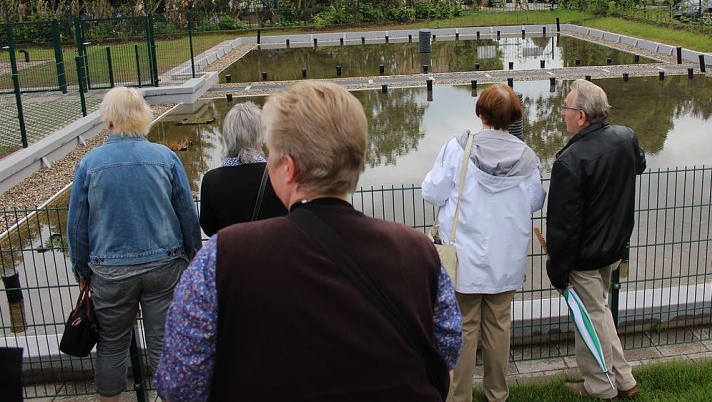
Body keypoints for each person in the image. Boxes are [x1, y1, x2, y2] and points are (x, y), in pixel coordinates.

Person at [155, 81, 463, 401]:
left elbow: (179, 383)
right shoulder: (417, 251)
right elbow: (449, 346)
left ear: (287, 169)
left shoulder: (220, 258)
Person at [67, 86, 201, 402]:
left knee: (112, 344)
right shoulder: (165, 158)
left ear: (109, 120)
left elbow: (77, 227)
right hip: (164, 267)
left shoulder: (89, 164)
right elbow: (186, 216)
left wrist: (83, 270)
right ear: (143, 118)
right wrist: (194, 257)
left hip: (110, 271)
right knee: (163, 340)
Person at [422, 84, 546, 402]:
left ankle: (458, 396)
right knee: (499, 329)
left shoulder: (459, 147)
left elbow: (432, 192)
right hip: (506, 261)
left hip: (463, 261)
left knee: (462, 330)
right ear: (513, 118)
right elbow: (535, 201)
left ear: (481, 113)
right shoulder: (527, 158)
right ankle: (497, 395)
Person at [545, 79, 646, 400]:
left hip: (586, 257)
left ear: (582, 117)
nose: (562, 113)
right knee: (599, 313)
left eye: (566, 108)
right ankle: (625, 380)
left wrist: (558, 270)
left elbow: (563, 226)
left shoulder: (569, 161)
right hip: (614, 248)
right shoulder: (625, 137)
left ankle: (603, 388)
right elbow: (639, 165)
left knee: (592, 320)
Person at [199, 102, 286, 236]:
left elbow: (209, 228)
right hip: (272, 251)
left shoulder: (211, 180)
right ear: (260, 134)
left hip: (231, 253)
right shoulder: (278, 175)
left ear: (227, 135)